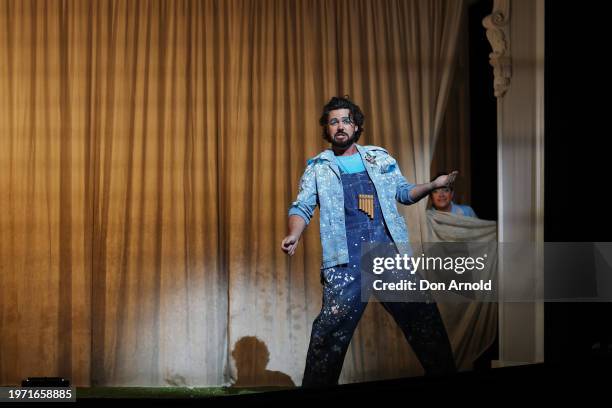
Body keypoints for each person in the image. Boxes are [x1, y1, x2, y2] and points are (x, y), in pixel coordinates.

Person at [280, 96, 457, 387]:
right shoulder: (318, 167)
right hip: (345, 261)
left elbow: (403, 192)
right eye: (334, 121)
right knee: (329, 334)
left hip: (387, 254)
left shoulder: (380, 158)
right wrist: (294, 234)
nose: (340, 126)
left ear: (356, 125)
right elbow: (301, 206)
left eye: (346, 120)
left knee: (425, 320)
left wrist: (433, 185)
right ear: (327, 128)